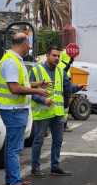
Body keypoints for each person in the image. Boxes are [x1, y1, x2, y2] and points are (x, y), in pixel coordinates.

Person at [0, 33, 48, 185]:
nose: (30, 47)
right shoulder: (11, 62)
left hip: (14, 109)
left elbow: (20, 84)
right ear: (23, 43)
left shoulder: (13, 59)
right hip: (14, 109)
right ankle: (15, 184)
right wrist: (37, 90)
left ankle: (12, 180)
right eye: (29, 44)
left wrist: (35, 84)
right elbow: (14, 89)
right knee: (15, 149)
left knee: (11, 147)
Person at [30, 46, 83, 177]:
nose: (57, 58)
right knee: (38, 140)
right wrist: (43, 101)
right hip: (42, 112)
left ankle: (55, 167)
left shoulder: (60, 70)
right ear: (47, 56)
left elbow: (68, 87)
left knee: (58, 140)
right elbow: (29, 90)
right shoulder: (36, 70)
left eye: (58, 56)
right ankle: (35, 168)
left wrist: (78, 87)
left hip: (57, 113)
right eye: (54, 55)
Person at [58, 49, 74, 132]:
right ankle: (63, 126)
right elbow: (64, 74)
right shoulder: (63, 65)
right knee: (64, 109)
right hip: (64, 91)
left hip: (63, 91)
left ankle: (63, 125)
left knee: (64, 110)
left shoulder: (61, 64)